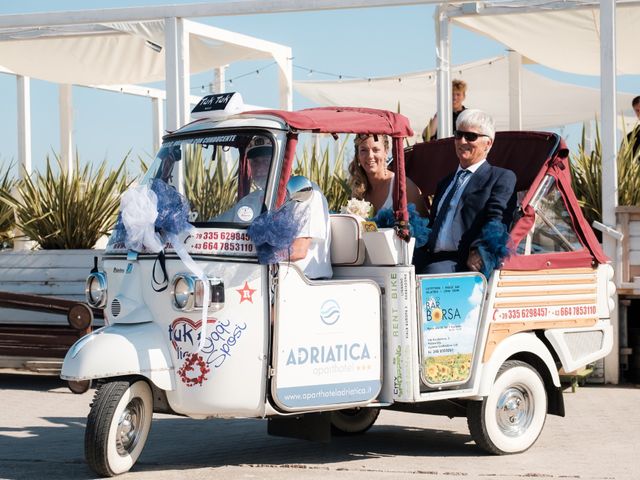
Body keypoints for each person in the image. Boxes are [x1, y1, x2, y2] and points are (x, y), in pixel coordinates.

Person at [418, 109, 516, 275]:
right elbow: (432, 225)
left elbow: (498, 221)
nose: (462, 141)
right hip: (432, 257)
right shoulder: (445, 182)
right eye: (458, 134)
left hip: (464, 262)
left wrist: (480, 250)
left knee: (430, 272)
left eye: (471, 136)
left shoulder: (500, 177)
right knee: (395, 268)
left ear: (488, 143)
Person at [348, 133, 428, 217]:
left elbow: (426, 227)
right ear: (358, 155)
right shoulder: (357, 189)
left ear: (386, 152)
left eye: (376, 150)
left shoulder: (404, 187)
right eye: (364, 150)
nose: (370, 156)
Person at [285, 176, 333, 280]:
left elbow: (298, 250)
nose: (259, 168)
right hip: (274, 278)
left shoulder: (305, 192)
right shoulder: (261, 195)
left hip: (303, 281)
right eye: (254, 162)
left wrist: (257, 255)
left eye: (264, 160)